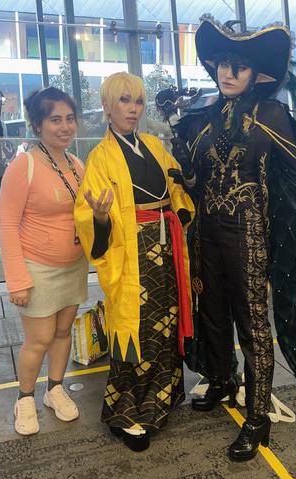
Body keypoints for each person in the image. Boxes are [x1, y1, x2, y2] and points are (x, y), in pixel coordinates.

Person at [171, 15, 296, 461]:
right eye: (222, 63)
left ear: (257, 73)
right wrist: (182, 164)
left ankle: (257, 418)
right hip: (207, 235)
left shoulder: (272, 115)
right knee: (213, 317)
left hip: (249, 239)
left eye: (237, 65)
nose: (227, 72)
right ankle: (222, 380)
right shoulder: (202, 119)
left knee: (254, 329)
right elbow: (195, 181)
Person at [74, 72, 195, 452]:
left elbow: (176, 190)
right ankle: (126, 412)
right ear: (108, 106)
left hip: (166, 247)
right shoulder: (99, 157)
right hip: (131, 254)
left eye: (138, 102)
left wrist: (185, 190)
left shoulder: (156, 146)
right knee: (137, 330)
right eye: (124, 101)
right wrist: (99, 217)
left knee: (167, 322)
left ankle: (163, 398)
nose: (132, 109)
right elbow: (87, 214)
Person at [0, 87, 88, 436]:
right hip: (37, 268)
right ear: (37, 126)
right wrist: (17, 279)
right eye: (55, 120)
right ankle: (24, 398)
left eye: (69, 119)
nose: (65, 127)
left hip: (73, 266)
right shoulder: (24, 167)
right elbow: (6, 225)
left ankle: (54, 389)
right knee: (38, 340)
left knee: (63, 332)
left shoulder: (76, 165)